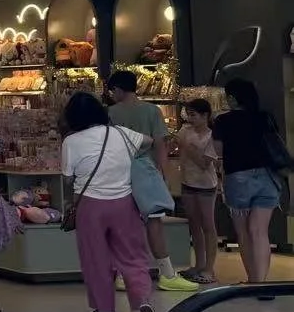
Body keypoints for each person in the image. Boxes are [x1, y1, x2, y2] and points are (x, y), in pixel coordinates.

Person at [62, 91, 158, 312]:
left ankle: (103, 311)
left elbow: (67, 179)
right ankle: (143, 300)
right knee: (133, 256)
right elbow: (150, 141)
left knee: (96, 259)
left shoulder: (71, 142)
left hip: (89, 206)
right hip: (124, 202)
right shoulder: (123, 134)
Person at [106, 70, 197, 292]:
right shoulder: (152, 111)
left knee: (123, 226)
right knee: (154, 222)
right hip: (145, 171)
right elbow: (160, 144)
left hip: (118, 172)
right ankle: (167, 273)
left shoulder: (109, 113)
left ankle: (122, 274)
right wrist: (163, 173)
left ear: (117, 89)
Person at [211, 78, 286, 287]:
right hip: (268, 177)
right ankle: (260, 282)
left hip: (238, 178)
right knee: (260, 231)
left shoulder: (223, 121)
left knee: (244, 233)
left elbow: (218, 152)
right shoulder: (265, 117)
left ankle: (252, 280)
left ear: (233, 98)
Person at [175, 98, 221, 284]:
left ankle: (209, 268)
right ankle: (199, 264)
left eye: (193, 115)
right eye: (188, 114)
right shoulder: (185, 131)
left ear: (205, 115)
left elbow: (204, 163)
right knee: (194, 225)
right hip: (187, 183)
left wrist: (186, 146)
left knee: (208, 226)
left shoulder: (212, 136)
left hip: (206, 186)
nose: (190, 119)